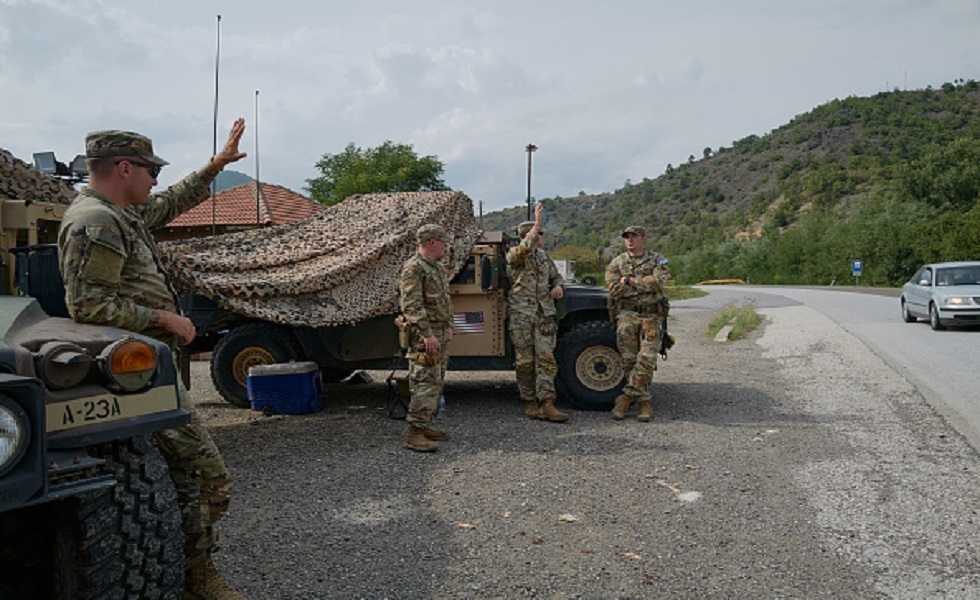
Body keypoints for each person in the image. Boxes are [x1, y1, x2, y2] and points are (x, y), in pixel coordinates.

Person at [58, 121, 247, 599]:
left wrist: (215, 166)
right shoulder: (95, 222)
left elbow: (170, 203)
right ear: (124, 168)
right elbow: (88, 307)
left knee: (186, 476)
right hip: (132, 377)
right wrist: (165, 318)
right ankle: (194, 577)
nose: (156, 179)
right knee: (209, 476)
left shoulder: (119, 213)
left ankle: (186, 573)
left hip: (147, 371)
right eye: (149, 170)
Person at [506, 203, 570, 422]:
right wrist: (537, 223)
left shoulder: (543, 257)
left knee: (546, 359)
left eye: (540, 233)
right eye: (537, 233)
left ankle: (547, 403)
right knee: (524, 361)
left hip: (544, 315)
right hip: (522, 315)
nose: (541, 236)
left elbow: (556, 276)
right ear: (527, 235)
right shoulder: (515, 255)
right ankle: (529, 401)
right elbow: (521, 251)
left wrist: (559, 286)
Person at [605, 225, 670, 422]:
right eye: (627, 237)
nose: (630, 240)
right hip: (627, 315)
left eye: (634, 236)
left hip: (651, 316)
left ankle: (625, 398)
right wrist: (644, 285)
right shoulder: (617, 262)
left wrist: (630, 282)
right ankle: (643, 403)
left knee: (648, 358)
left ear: (644, 239)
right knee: (629, 361)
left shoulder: (658, 259)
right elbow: (614, 288)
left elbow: (660, 282)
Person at [398, 223, 454, 452]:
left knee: (437, 380)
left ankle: (425, 424)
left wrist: (447, 326)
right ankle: (414, 433)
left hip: (439, 332)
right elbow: (411, 305)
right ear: (432, 241)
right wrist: (427, 334)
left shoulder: (436, 268)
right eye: (443, 242)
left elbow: (443, 300)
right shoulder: (414, 268)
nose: (446, 246)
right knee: (424, 382)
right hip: (425, 335)